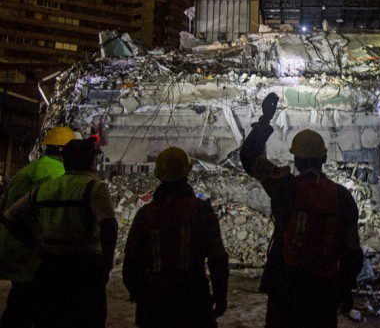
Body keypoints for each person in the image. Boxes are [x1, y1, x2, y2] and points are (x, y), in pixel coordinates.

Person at [240, 92, 364, 328]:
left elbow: (249, 158)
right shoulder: (343, 197)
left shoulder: (283, 186)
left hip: (286, 288)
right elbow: (352, 251)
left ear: (295, 160)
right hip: (323, 290)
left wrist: (265, 119)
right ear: (324, 157)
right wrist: (345, 289)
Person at [2, 138, 118, 328]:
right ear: (90, 161)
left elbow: (9, 217)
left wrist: (34, 244)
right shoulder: (95, 187)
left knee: (52, 319)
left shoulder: (46, 188)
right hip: (84, 268)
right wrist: (106, 264)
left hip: (50, 268)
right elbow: (109, 226)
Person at [122, 146, 229, 328]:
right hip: (193, 300)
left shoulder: (145, 214)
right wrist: (220, 296)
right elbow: (217, 258)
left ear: (159, 175)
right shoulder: (201, 210)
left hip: (155, 302)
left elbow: (131, 263)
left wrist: (142, 295)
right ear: (186, 173)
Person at [0, 126, 75, 328]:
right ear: (66, 151)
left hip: (14, 248)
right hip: (35, 252)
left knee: (20, 303)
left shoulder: (30, 168)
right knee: (31, 306)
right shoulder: (57, 174)